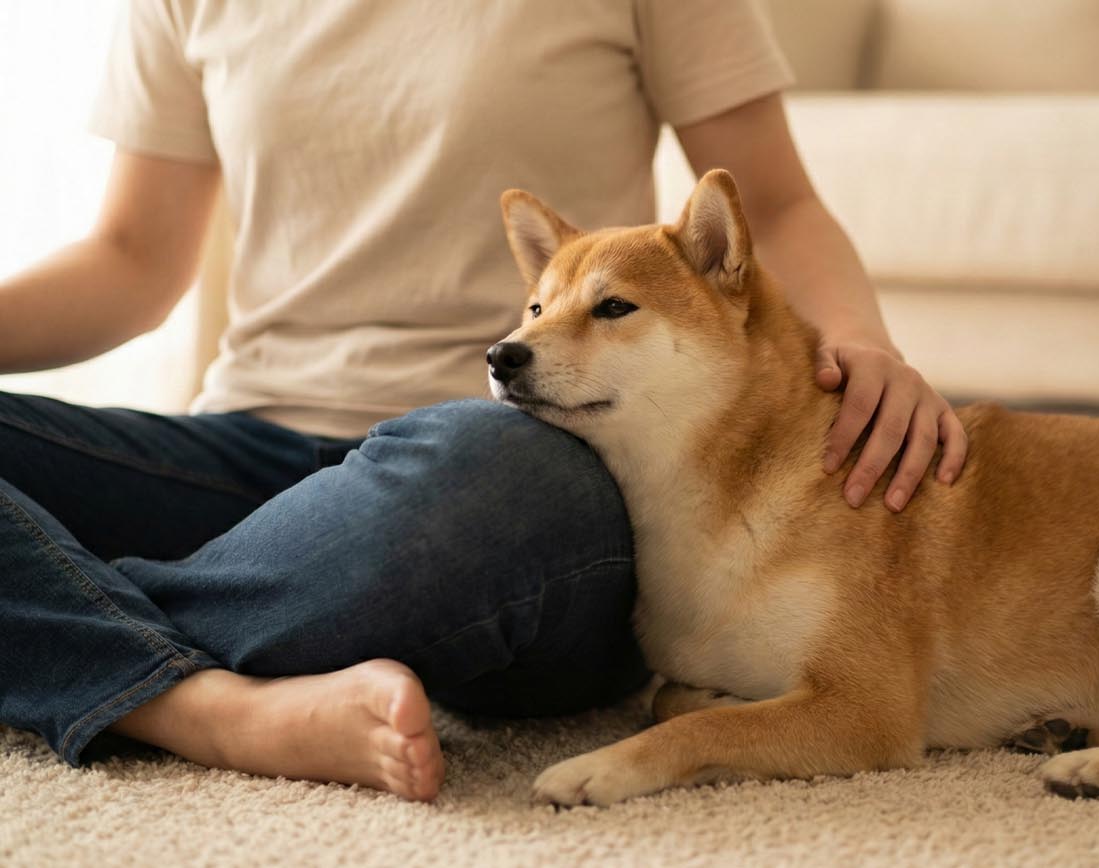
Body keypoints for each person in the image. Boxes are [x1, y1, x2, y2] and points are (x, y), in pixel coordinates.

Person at [0, 1, 967, 802]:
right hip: (253, 452)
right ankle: (206, 706)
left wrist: (862, 342)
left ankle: (63, 612)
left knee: (485, 471)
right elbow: (130, 259)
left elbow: (774, 202)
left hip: (519, 462)